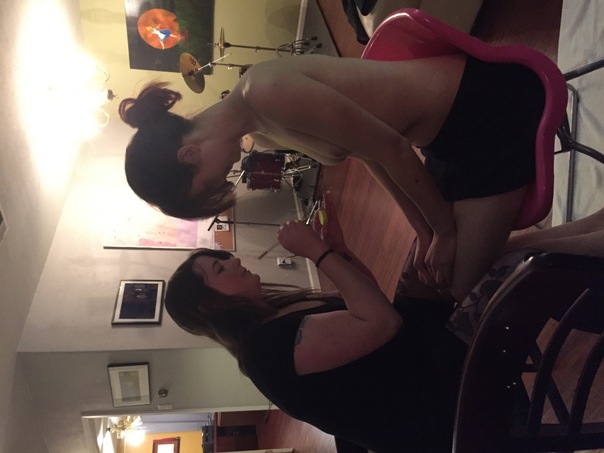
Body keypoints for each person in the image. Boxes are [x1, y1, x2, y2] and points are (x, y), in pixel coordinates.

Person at [164, 192, 604, 453]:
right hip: (450, 400)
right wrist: (318, 254)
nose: (233, 260)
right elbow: (382, 323)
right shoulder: (266, 353)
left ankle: (592, 231)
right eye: (220, 269)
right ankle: (585, 256)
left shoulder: (274, 315)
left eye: (222, 258)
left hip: (422, 356)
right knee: (507, 264)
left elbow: (368, 301)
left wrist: (339, 250)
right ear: (210, 306)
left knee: (445, 249)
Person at [119, 51, 548, 301]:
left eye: (210, 183)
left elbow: (393, 150)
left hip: (488, 110)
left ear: (190, 154)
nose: (225, 179)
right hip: (446, 141)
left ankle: (577, 248)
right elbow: (372, 154)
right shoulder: (260, 131)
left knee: (461, 285)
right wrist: (425, 231)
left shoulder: (268, 93)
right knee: (438, 277)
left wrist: (445, 232)